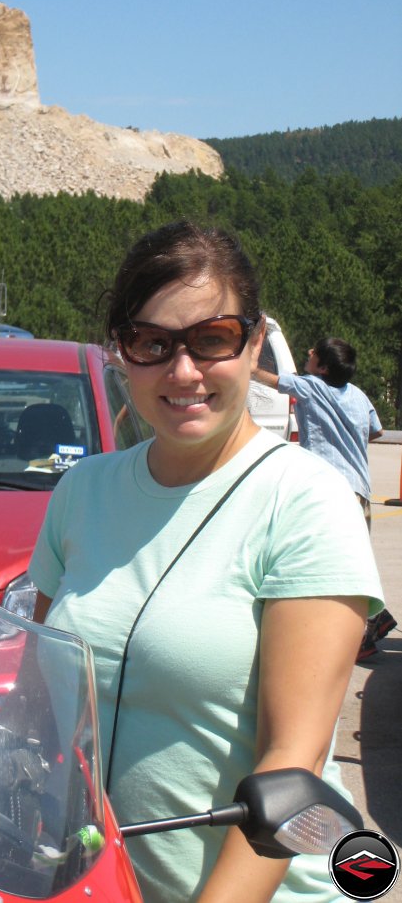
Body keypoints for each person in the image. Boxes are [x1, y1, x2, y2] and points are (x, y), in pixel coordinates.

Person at [28, 220, 384, 903]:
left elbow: (294, 763)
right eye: (151, 343)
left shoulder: (304, 501)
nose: (182, 370)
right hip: (100, 885)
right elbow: (43, 703)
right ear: (120, 351)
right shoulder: (82, 492)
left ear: (252, 345)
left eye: (211, 339)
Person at [251, 337, 396, 661]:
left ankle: (357, 631)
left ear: (324, 367)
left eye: (313, 352)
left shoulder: (310, 387)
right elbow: (376, 431)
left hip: (329, 490)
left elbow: (268, 379)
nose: (308, 353)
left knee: (324, 564)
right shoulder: (358, 396)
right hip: (359, 491)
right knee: (352, 561)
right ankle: (370, 627)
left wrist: (248, 359)